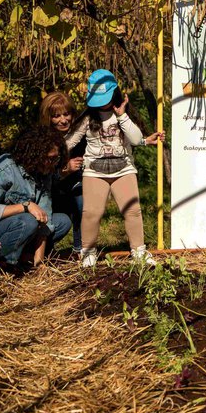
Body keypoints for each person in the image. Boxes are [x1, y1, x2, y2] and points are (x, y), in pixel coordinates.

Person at [65, 69, 164, 268]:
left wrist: (122, 116)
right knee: (92, 213)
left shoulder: (122, 116)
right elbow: (69, 141)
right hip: (94, 171)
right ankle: (88, 252)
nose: (101, 103)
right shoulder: (87, 118)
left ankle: (139, 251)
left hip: (124, 170)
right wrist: (52, 152)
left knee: (133, 211)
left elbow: (135, 139)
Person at [0, 126, 72, 268]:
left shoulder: (45, 171)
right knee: (28, 220)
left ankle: (27, 257)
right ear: (34, 155)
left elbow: (45, 218)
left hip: (16, 225)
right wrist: (25, 206)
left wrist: (39, 264)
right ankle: (6, 263)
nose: (53, 164)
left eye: (56, 158)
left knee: (62, 221)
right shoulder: (3, 170)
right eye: (50, 159)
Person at [40, 91, 84, 256]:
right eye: (56, 116)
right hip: (51, 188)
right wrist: (65, 170)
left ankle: (80, 249)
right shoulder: (43, 140)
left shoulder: (80, 135)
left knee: (81, 204)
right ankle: (43, 248)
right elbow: (43, 176)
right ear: (48, 118)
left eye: (66, 114)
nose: (63, 120)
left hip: (77, 184)